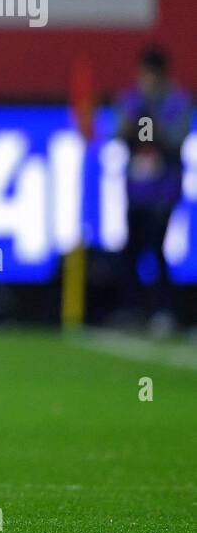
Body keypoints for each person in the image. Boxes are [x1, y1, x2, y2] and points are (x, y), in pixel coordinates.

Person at [114, 45, 192, 333]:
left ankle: (164, 311)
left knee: (157, 248)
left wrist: (151, 123)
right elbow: (119, 136)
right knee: (131, 250)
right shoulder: (131, 101)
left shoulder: (177, 103)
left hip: (163, 190)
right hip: (136, 190)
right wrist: (134, 123)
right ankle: (132, 309)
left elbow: (175, 141)